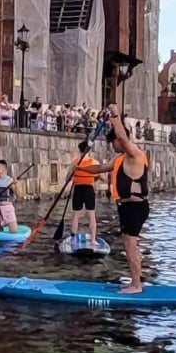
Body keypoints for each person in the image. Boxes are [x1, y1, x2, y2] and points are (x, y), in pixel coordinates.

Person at [74, 114, 149, 293]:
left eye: (113, 143)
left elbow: (122, 137)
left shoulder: (134, 154)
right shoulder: (120, 159)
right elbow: (99, 168)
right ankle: (135, 281)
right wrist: (81, 168)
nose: (112, 146)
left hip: (135, 207)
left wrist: (115, 116)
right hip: (126, 208)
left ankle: (137, 285)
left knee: (131, 245)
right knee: (129, 244)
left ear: (118, 141)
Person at [69, 140, 100, 244]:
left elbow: (67, 179)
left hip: (78, 189)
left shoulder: (74, 163)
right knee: (91, 215)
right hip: (89, 190)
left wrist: (75, 177)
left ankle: (73, 239)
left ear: (79, 150)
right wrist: (94, 178)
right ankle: (93, 240)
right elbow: (102, 177)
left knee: (76, 215)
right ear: (89, 151)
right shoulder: (95, 163)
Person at [0, 159, 20, 234]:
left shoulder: (10, 181)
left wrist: (16, 184)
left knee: (14, 231)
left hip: (7, 208)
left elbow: (19, 194)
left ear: (4, 168)